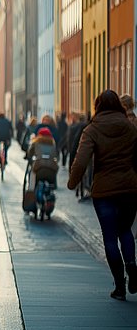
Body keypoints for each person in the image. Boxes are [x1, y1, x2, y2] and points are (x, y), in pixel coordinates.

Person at [68, 90, 137, 301]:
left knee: (109, 237)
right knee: (125, 230)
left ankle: (119, 287)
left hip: (104, 191)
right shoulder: (130, 127)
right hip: (129, 189)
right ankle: (133, 269)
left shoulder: (92, 129)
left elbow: (81, 161)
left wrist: (72, 182)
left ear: (97, 105)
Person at [26, 127, 58, 191]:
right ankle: (52, 187)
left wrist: (30, 158)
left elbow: (29, 153)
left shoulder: (35, 143)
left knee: (32, 173)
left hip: (38, 168)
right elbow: (56, 156)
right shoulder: (53, 144)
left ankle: (31, 190)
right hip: (51, 169)